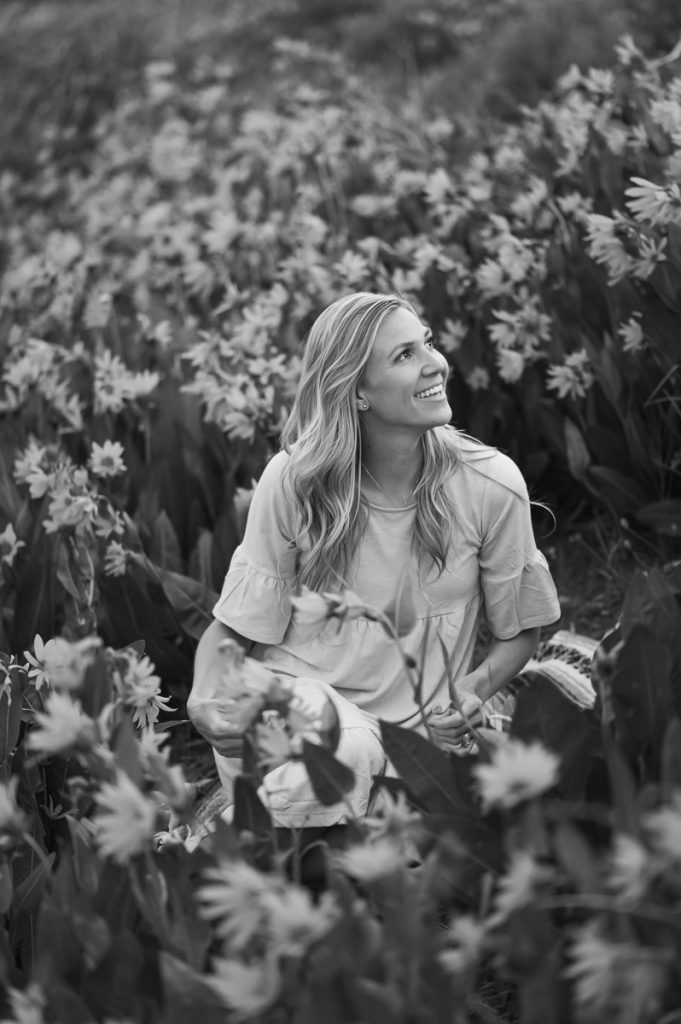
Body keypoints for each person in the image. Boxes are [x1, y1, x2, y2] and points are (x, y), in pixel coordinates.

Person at [188, 292, 561, 829]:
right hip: (291, 721)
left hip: (416, 742)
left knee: (460, 817)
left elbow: (522, 630)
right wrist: (203, 696)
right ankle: (226, 843)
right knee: (348, 753)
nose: (436, 363)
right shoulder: (295, 482)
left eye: (427, 343)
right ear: (357, 390)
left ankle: (249, 838)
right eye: (405, 355)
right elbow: (234, 627)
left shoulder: (490, 484)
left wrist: (474, 688)